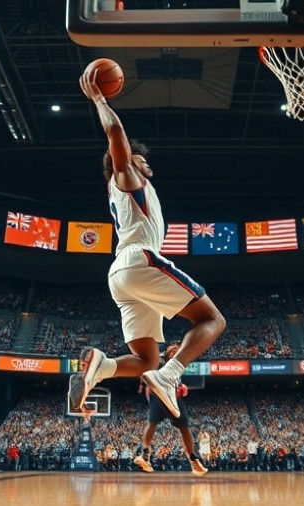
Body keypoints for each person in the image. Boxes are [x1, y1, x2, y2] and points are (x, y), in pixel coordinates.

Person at [68, 66, 226, 419]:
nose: (146, 163)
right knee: (212, 320)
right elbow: (115, 132)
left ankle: (103, 365)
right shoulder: (125, 178)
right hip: (139, 260)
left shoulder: (131, 191)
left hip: (121, 276)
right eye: (140, 160)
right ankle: (170, 376)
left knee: (145, 359)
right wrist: (99, 99)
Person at [132, 344, 207, 476]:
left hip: (173, 397)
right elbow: (146, 369)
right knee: (152, 423)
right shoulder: (159, 360)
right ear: (168, 351)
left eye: (178, 351)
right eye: (174, 350)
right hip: (158, 395)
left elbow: (176, 380)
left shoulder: (177, 365)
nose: (176, 353)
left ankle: (193, 459)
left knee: (185, 428)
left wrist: (181, 386)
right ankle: (145, 455)